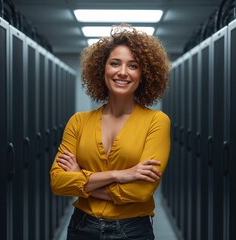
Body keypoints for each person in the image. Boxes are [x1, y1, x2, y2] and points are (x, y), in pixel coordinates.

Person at [50, 24, 171, 240]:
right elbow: (58, 182)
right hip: (81, 227)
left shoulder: (157, 121)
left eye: (133, 66)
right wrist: (120, 175)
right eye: (115, 63)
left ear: (144, 74)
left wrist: (80, 179)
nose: (122, 72)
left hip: (132, 231)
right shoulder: (78, 122)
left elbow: (141, 192)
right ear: (102, 69)